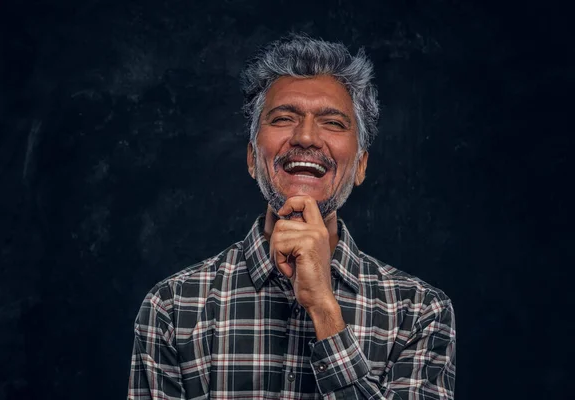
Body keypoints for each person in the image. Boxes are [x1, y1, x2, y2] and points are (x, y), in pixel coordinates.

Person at [128, 33, 456, 399]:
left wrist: (324, 309)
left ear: (360, 166)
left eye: (333, 123)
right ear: (253, 158)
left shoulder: (419, 312)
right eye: (284, 118)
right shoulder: (173, 307)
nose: (306, 137)